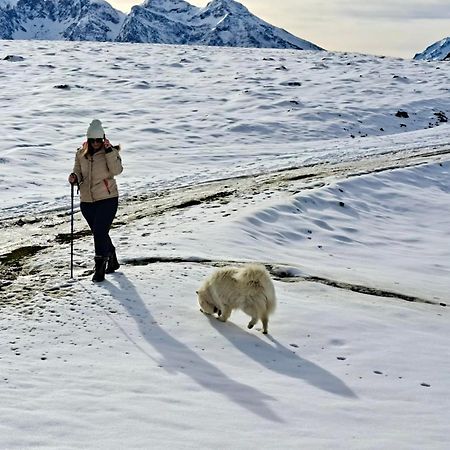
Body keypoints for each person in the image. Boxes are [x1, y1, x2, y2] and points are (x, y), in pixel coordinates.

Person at [68, 119, 123, 282]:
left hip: (108, 198)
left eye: (99, 140)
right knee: (100, 232)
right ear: (89, 140)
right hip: (87, 201)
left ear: (103, 138)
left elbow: (117, 170)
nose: (96, 143)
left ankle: (100, 269)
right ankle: (112, 258)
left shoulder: (109, 152)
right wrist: (74, 178)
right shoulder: (80, 153)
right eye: (93, 140)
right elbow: (78, 171)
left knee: (99, 232)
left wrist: (109, 152)